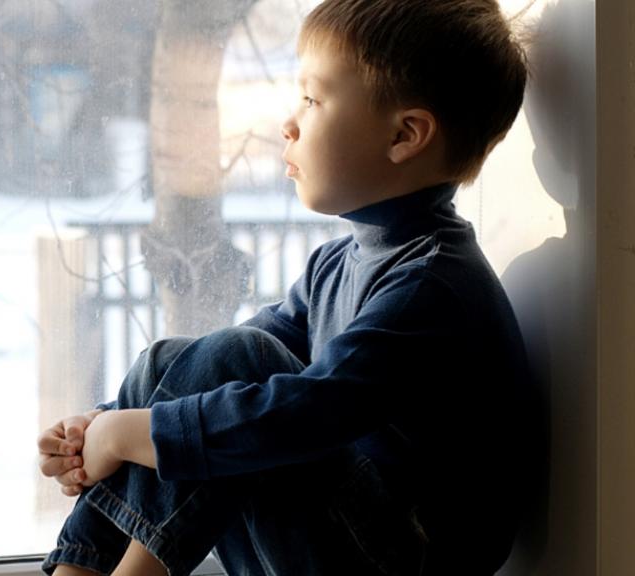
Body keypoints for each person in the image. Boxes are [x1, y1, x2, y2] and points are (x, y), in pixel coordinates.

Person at [37, 0, 533, 574]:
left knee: (234, 362)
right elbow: (204, 368)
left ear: (405, 135)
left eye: (313, 100)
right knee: (172, 363)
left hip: (407, 557)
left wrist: (127, 434)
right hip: (348, 539)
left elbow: (307, 413)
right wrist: (101, 426)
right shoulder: (337, 265)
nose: (289, 124)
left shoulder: (433, 288)